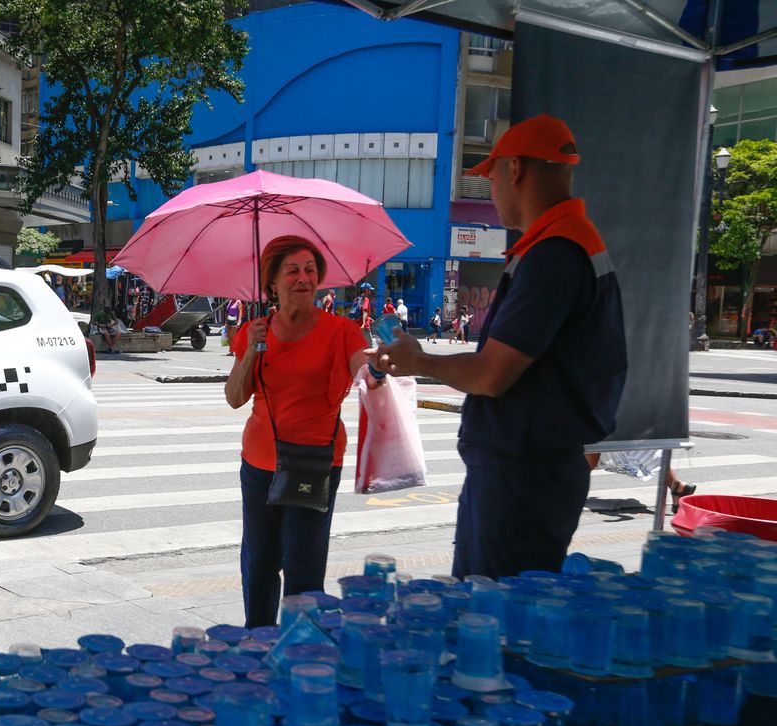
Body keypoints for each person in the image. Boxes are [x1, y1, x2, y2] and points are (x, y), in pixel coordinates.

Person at [376, 114, 627, 579]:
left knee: (495, 616)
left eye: (491, 177)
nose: (490, 192)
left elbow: (492, 374)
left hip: (524, 475)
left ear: (514, 170)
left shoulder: (555, 254)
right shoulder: (558, 246)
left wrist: (419, 360)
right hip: (525, 469)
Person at [225, 236, 376, 629]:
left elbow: (364, 367)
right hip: (259, 465)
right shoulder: (252, 332)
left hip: (314, 464)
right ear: (272, 282)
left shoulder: (341, 331)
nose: (303, 278)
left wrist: (376, 369)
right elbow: (235, 398)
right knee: (259, 563)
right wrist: (251, 350)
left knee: (304, 569)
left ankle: (301, 654)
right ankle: (256, 646)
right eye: (292, 270)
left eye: (310, 270)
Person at [585, 452, 696, 512]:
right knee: (652, 456)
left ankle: (573, 488)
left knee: (592, 444)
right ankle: (677, 487)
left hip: (620, 432)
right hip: (645, 431)